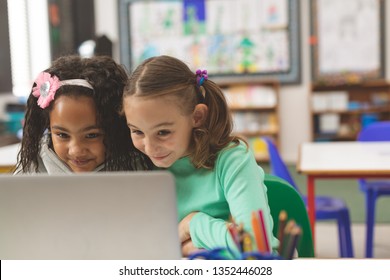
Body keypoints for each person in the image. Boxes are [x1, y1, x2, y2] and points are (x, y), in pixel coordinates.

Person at [122, 55, 278, 257]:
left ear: (197, 117)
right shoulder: (136, 164)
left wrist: (193, 224)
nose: (150, 148)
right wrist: (189, 248)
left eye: (163, 132)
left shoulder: (232, 159)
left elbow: (255, 248)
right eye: (137, 132)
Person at [15, 55, 153, 173]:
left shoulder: (140, 169)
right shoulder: (32, 169)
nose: (76, 151)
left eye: (92, 135)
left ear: (116, 129)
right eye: (62, 135)